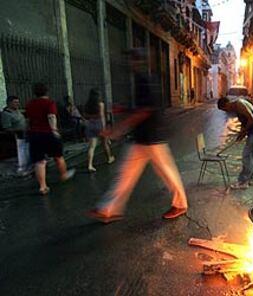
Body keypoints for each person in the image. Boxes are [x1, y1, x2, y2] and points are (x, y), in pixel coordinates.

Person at [88, 48, 188, 223]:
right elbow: (140, 109)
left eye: (131, 60)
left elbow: (143, 112)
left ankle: (180, 204)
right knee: (126, 174)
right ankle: (109, 209)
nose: (128, 64)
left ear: (139, 61)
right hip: (142, 137)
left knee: (166, 172)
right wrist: (124, 110)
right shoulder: (141, 80)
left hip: (152, 137)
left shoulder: (145, 81)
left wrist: (117, 130)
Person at [25, 83, 75, 195]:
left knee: (40, 161)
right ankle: (63, 175)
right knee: (58, 156)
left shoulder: (29, 104)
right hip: (48, 134)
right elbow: (51, 116)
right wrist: (54, 130)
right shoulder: (49, 103)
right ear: (47, 91)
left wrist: (28, 131)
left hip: (34, 134)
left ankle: (43, 187)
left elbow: (28, 120)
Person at [217, 97, 253, 189]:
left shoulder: (239, 104)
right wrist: (241, 133)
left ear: (227, 104)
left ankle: (243, 182)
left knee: (247, 155)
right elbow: (245, 121)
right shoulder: (236, 108)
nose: (226, 111)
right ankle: (251, 179)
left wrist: (244, 131)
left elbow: (252, 118)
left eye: (225, 109)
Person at [84, 88, 115, 172]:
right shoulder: (100, 104)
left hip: (90, 124)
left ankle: (90, 165)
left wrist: (91, 118)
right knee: (104, 144)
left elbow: (85, 115)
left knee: (91, 147)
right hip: (99, 124)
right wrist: (104, 128)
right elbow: (102, 116)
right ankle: (109, 158)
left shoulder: (87, 104)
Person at [1, 96, 30, 175]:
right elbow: (6, 128)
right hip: (16, 136)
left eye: (18, 102)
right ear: (9, 103)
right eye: (15, 102)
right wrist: (18, 131)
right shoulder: (6, 114)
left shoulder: (18, 111)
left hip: (25, 135)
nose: (17, 104)